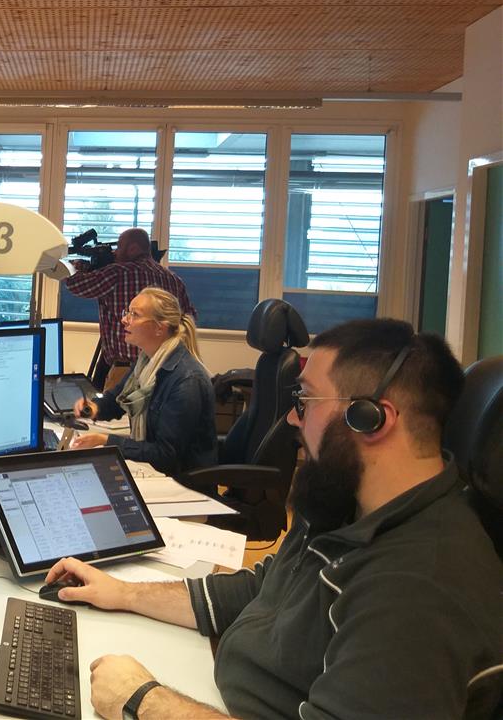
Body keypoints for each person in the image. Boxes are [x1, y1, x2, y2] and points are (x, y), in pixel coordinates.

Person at [47, 319, 503, 720]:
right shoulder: (346, 502)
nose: (291, 418)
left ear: (370, 419)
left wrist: (142, 701)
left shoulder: (419, 589)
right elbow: (263, 589)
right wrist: (123, 593)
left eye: (305, 400)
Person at [71, 287, 216, 476]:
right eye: (127, 312)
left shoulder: (186, 381)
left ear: (159, 328)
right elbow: (115, 400)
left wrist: (106, 441)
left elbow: (165, 454)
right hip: (156, 471)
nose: (124, 319)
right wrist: (93, 408)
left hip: (182, 481)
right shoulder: (145, 362)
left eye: (135, 315)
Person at [64, 228, 195, 390]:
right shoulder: (173, 279)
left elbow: (76, 285)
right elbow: (189, 318)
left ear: (133, 249)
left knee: (111, 407)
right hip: (165, 368)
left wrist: (73, 267)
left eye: (119, 247)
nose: (115, 253)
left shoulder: (118, 273)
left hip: (125, 372)